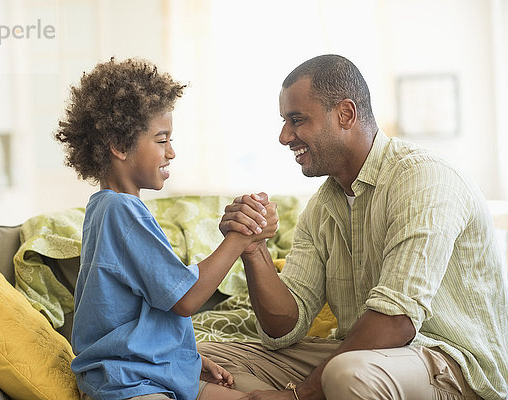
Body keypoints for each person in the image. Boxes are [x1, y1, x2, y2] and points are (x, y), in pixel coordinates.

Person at [199, 54, 508, 400]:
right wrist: (253, 251)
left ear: (346, 114)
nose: (285, 136)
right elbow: (285, 326)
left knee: (347, 375)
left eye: (297, 120)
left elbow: (396, 321)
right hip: (364, 356)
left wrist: (300, 395)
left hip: (450, 363)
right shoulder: (320, 207)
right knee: (200, 360)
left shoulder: (423, 178)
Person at [54, 58, 276, 400]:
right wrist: (240, 237)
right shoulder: (120, 210)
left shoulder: (108, 208)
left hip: (153, 371)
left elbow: (138, 313)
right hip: (127, 384)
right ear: (119, 145)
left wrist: (190, 358)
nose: (171, 152)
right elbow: (185, 299)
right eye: (162, 140)